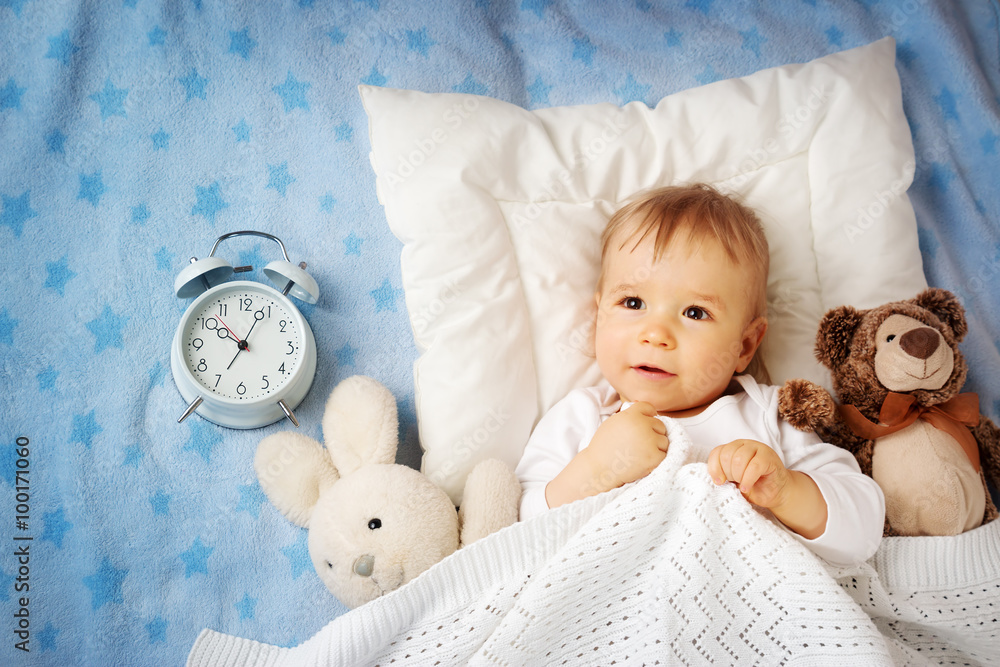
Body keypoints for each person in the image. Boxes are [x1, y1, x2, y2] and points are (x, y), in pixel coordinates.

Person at [514, 183, 884, 566]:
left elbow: (863, 529)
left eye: (695, 313)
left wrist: (786, 492)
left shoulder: (770, 416)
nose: (656, 334)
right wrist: (595, 469)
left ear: (745, 346)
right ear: (599, 313)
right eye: (633, 302)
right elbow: (521, 537)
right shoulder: (582, 418)